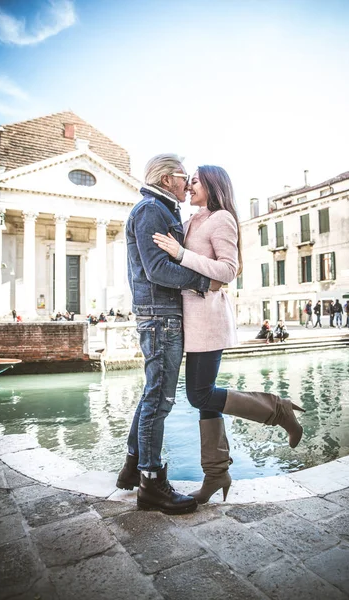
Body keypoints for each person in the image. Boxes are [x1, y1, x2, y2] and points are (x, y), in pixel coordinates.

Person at [153, 165, 305, 505]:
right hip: (190, 322)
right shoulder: (192, 220)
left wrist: (181, 254)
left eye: (194, 180)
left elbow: (228, 270)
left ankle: (278, 410)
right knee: (203, 397)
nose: (189, 185)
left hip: (208, 320)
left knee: (199, 395)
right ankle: (216, 474)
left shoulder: (222, 218)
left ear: (212, 184)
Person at [116, 154, 212, 515]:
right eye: (184, 177)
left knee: (151, 396)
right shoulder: (151, 210)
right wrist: (203, 280)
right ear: (166, 178)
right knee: (160, 400)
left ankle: (132, 466)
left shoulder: (161, 209)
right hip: (160, 317)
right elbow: (157, 269)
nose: (188, 184)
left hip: (162, 316)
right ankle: (152, 484)